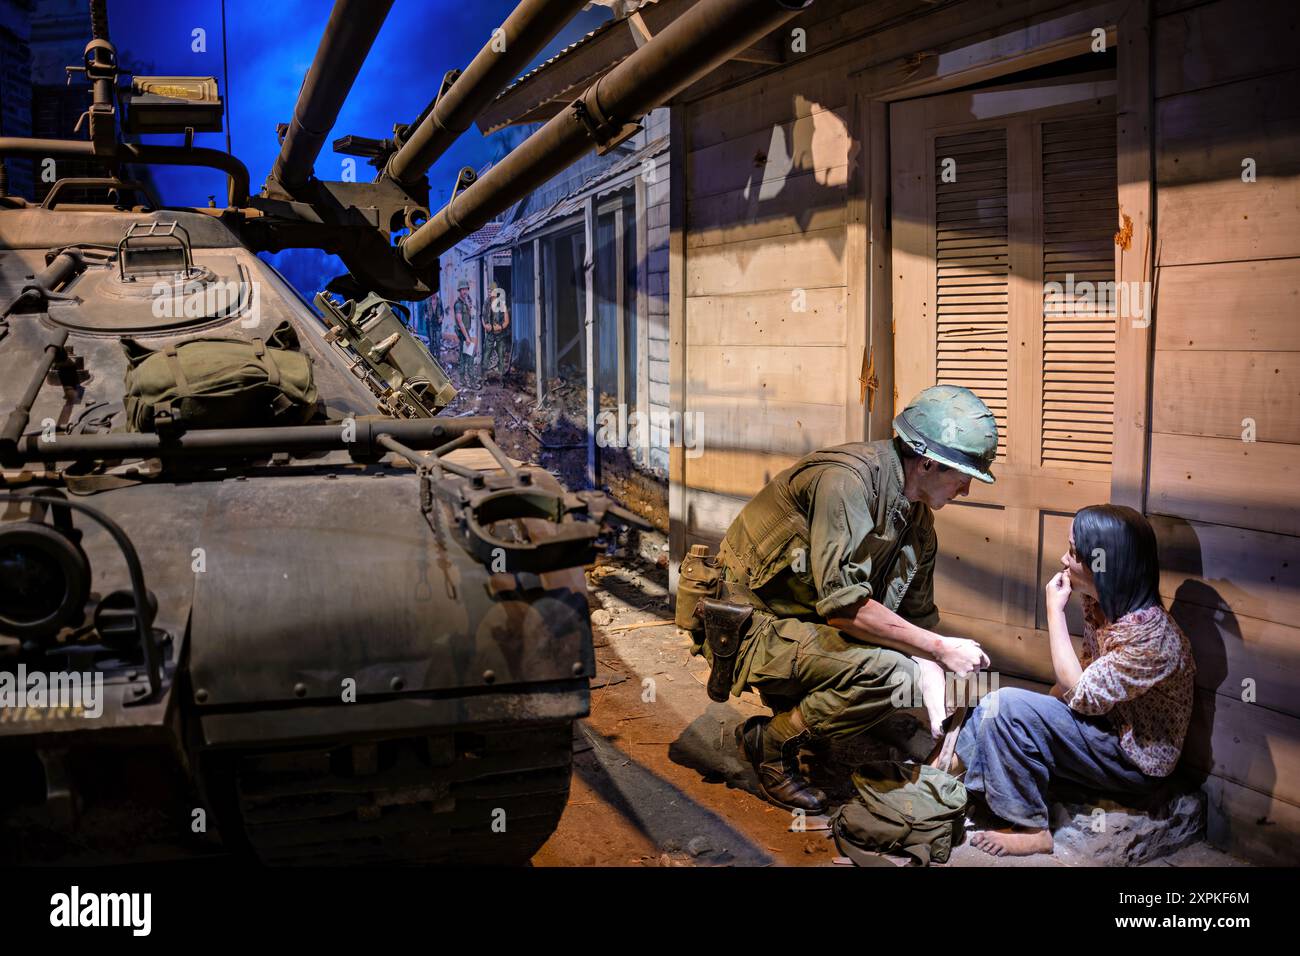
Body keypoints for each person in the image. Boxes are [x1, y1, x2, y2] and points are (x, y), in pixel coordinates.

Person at [701, 384, 997, 813]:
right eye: (963, 475)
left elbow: (914, 620)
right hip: (745, 621)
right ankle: (771, 746)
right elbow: (843, 608)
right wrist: (933, 652)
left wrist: (932, 663)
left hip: (802, 621)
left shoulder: (918, 525)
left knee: (907, 672)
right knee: (894, 675)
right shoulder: (847, 482)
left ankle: (805, 720)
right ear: (928, 462)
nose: (966, 489)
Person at [956, 504, 1195, 857]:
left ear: (1103, 563)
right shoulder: (1100, 605)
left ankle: (1033, 828)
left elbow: (1080, 693)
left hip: (1132, 762)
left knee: (1006, 707)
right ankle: (952, 776)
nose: (1063, 559)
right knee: (993, 707)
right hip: (1101, 727)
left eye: (1072, 552)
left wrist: (1053, 610)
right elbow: (1082, 677)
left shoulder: (1153, 639)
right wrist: (1037, 719)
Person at [482, 280, 512, 380]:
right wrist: (485, 325)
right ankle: (484, 377)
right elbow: (482, 316)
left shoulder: (501, 304)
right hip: (490, 334)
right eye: (488, 290)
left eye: (491, 290)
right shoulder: (486, 303)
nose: (489, 292)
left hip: (500, 335)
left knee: (501, 355)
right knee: (486, 354)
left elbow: (507, 321)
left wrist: (501, 327)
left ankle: (501, 378)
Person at [453, 279, 478, 388]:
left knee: (463, 356)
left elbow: (469, 314)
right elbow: (460, 322)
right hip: (463, 332)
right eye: (462, 289)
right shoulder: (458, 304)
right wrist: (467, 337)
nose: (465, 291)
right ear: (459, 291)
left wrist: (468, 305)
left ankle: (462, 380)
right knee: (470, 356)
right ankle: (472, 382)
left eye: (466, 289)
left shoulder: (466, 302)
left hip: (465, 331)